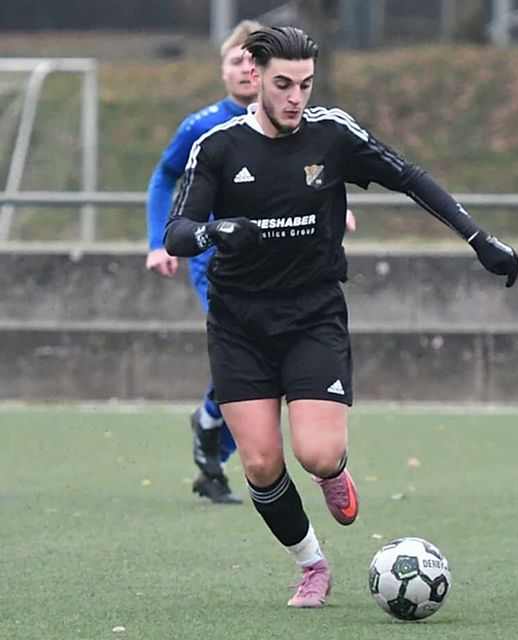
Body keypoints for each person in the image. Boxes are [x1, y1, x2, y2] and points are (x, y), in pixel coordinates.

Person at [163, 26, 518, 608]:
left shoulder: (332, 133)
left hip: (312, 314)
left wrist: (479, 239)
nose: (295, 97)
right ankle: (312, 565)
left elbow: (409, 177)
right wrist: (212, 230)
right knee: (258, 461)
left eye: (305, 83)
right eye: (283, 84)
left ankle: (333, 474)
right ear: (254, 78)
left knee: (318, 454)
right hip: (239, 324)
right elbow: (178, 232)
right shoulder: (220, 147)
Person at [145, 20, 356, 505]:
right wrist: (159, 240)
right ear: (225, 71)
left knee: (281, 379)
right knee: (242, 360)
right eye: (235, 61)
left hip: (291, 274)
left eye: (249, 60)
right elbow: (164, 179)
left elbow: (311, 177)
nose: (244, 69)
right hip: (219, 266)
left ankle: (223, 436)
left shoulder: (304, 127)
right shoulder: (205, 129)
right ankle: (216, 448)